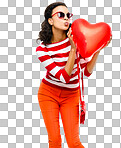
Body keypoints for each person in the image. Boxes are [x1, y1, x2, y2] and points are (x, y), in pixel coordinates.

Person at [36, 2, 111, 148]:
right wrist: (72, 49)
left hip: (71, 96)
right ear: (50, 21)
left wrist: (99, 47)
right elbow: (64, 77)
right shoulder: (42, 49)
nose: (66, 19)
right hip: (48, 94)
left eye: (68, 15)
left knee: (74, 142)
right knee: (55, 141)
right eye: (61, 15)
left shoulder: (77, 39)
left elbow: (87, 72)